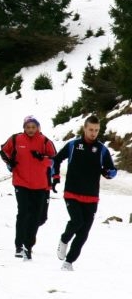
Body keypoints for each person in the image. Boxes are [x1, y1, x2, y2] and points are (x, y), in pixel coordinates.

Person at [51, 115, 117, 270]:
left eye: (96, 130)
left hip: (91, 196)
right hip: (72, 193)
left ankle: (68, 263)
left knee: (84, 232)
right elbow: (56, 159)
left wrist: (108, 173)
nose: (93, 133)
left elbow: (112, 170)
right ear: (84, 129)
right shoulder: (73, 145)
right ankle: (64, 239)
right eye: (90, 130)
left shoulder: (102, 150)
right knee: (77, 221)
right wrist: (55, 176)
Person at [0, 115, 56, 260]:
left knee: (37, 216)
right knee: (23, 212)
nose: (30, 130)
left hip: (40, 185)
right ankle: (19, 246)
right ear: (24, 127)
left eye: (33, 127)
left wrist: (42, 158)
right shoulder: (16, 139)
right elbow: (3, 151)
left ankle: (28, 245)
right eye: (28, 127)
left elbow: (54, 160)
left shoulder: (45, 142)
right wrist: (10, 162)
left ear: (38, 128)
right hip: (21, 182)